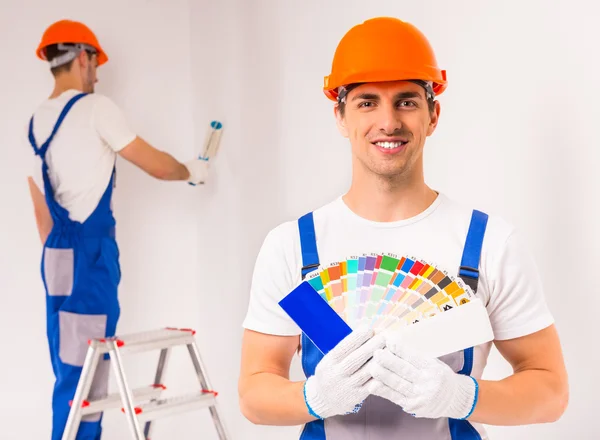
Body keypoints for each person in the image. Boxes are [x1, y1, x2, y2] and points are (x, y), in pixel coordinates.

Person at [238, 16, 569, 439]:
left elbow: (550, 390)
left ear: (433, 116)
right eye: (367, 102)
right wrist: (315, 397)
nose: (388, 121)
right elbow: (253, 392)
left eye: (407, 102)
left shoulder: (488, 244)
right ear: (340, 117)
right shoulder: (292, 247)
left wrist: (460, 396)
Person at [26, 19, 209, 440]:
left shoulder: (34, 122)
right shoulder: (96, 109)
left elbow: (40, 207)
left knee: (67, 366)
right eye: (95, 62)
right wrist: (191, 171)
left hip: (54, 256)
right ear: (84, 58)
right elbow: (156, 165)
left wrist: (61, 262)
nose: (97, 73)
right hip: (89, 257)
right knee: (86, 375)